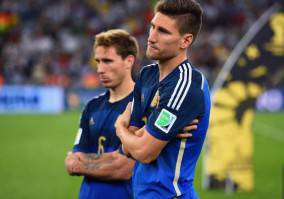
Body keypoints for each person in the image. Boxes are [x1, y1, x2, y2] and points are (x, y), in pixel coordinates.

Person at [64, 29, 198, 199]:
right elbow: (73, 160)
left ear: (129, 61)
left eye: (107, 61)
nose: (100, 69)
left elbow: (125, 168)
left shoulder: (148, 103)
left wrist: (82, 164)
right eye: (98, 61)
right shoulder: (92, 106)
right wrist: (110, 160)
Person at [115, 0, 211, 199]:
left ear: (186, 40)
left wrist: (119, 127)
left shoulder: (185, 86)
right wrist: (139, 134)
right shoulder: (146, 75)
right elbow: (127, 149)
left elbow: (144, 153)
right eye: (153, 27)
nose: (151, 37)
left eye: (163, 31)